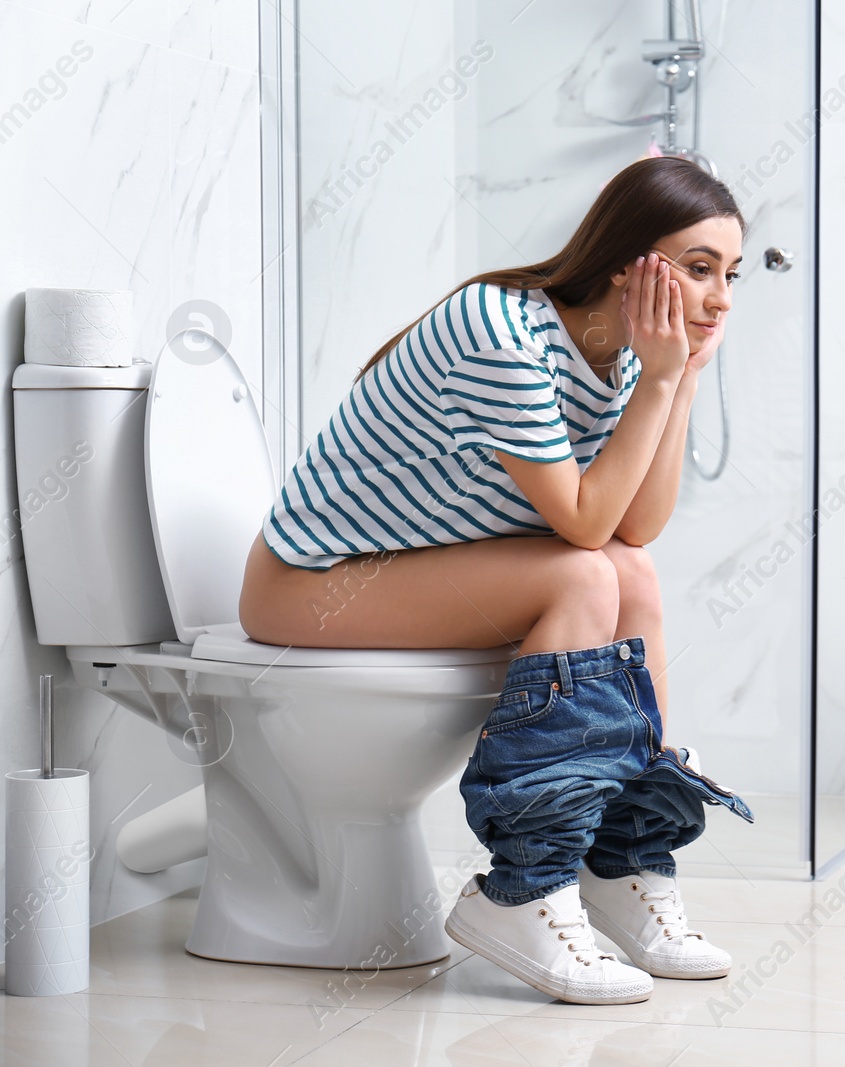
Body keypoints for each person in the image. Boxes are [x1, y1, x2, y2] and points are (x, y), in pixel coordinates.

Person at [238, 156, 754, 1005]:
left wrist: (680, 375)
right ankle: (523, 887)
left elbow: (635, 527)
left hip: (408, 571)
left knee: (632, 575)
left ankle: (619, 859)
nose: (722, 296)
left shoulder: (618, 355)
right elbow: (583, 524)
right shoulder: (500, 332)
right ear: (628, 263)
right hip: (306, 580)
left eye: (729, 275)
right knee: (584, 580)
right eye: (698, 269)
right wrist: (664, 374)